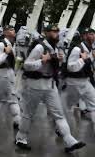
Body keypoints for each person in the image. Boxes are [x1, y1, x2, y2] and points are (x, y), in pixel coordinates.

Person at [15, 24, 86, 152]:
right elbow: (27, 65)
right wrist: (42, 61)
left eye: (57, 31)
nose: (56, 33)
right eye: (53, 31)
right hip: (35, 85)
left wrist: (58, 59)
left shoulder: (54, 47)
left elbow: (56, 66)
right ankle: (21, 137)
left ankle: (69, 140)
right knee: (28, 114)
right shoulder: (39, 47)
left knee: (58, 114)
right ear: (46, 33)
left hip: (50, 85)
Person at [0, 25, 21, 130]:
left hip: (9, 74)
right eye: (11, 30)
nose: (14, 32)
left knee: (13, 98)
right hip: (1, 74)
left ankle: (17, 121)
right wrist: (6, 53)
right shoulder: (2, 44)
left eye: (14, 30)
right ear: (5, 32)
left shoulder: (11, 44)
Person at [63, 28, 95, 132]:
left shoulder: (90, 49)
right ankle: (61, 128)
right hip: (74, 82)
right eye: (90, 34)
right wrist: (82, 59)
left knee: (94, 104)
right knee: (68, 107)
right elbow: (71, 67)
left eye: (93, 34)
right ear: (84, 36)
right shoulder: (77, 49)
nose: (93, 36)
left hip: (85, 81)